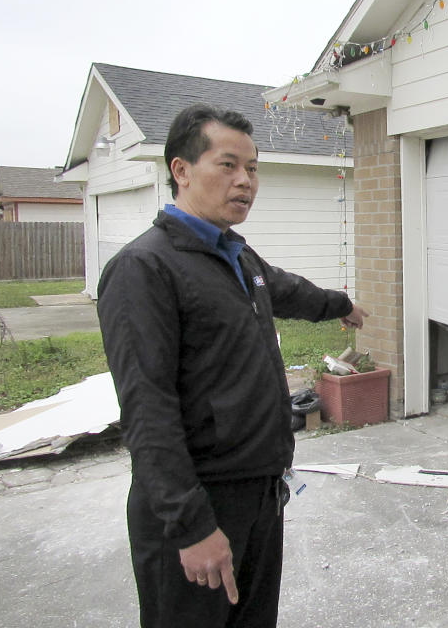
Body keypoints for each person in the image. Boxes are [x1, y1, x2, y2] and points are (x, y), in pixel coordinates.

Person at [97, 104, 368, 628]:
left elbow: (288, 290)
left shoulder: (236, 256)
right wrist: (192, 527)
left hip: (260, 492)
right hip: (200, 503)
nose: (246, 181)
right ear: (181, 170)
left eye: (253, 167)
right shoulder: (145, 267)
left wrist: (341, 304)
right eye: (228, 165)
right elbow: (147, 412)